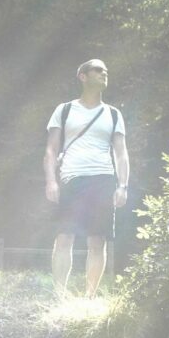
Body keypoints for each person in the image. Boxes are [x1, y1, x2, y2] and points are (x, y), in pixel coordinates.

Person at [44, 59, 129, 298]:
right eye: (98, 70)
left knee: (97, 241)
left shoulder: (113, 114)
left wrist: (123, 186)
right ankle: (59, 295)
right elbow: (51, 149)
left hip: (103, 179)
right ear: (83, 76)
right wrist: (51, 180)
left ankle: (88, 299)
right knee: (64, 237)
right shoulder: (65, 110)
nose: (104, 73)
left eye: (106, 71)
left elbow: (121, 153)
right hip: (72, 178)